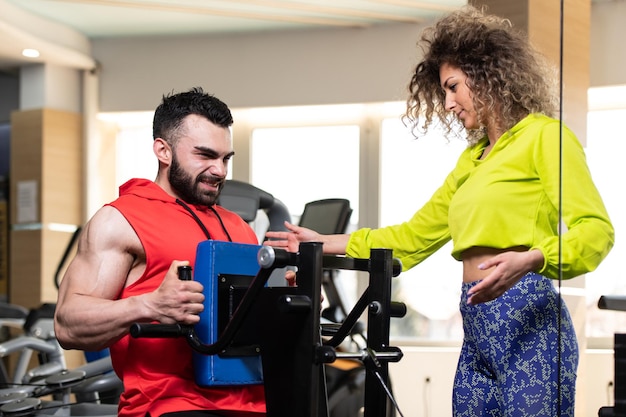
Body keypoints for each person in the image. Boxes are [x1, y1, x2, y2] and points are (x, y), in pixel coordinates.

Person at [265, 6, 614, 417]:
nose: (448, 103)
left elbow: (596, 231)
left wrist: (533, 259)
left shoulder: (543, 137)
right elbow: (412, 237)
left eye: (453, 87)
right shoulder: (472, 162)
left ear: (485, 74)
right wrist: (324, 241)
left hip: (530, 320)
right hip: (476, 324)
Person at [54, 87, 266, 417]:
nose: (221, 170)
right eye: (205, 155)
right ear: (163, 151)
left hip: (256, 403)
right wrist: (148, 304)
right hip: (171, 405)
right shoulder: (121, 219)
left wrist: (288, 301)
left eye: (225, 158)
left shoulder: (238, 226)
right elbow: (67, 325)